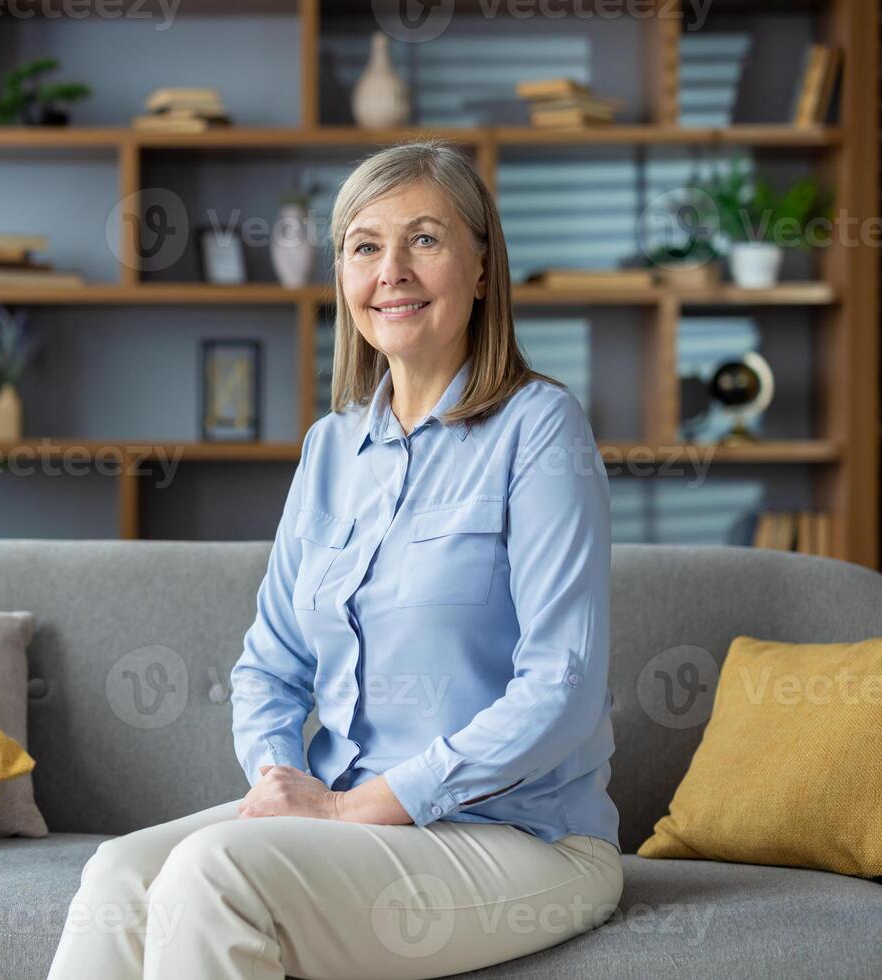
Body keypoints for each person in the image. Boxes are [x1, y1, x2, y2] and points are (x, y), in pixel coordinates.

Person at [46, 139, 622, 980]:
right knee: (116, 876)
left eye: (424, 240)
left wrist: (365, 806)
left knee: (218, 871)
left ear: (483, 268)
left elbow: (561, 687)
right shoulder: (331, 448)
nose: (391, 270)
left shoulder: (540, 430)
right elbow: (268, 666)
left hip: (523, 837)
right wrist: (283, 777)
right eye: (364, 246)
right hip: (346, 813)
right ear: (343, 277)